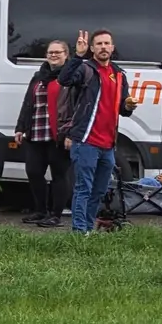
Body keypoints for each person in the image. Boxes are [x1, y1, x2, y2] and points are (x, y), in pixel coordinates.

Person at [59, 29, 138, 235]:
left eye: (107, 43)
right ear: (92, 48)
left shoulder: (119, 74)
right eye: (99, 44)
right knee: (83, 188)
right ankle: (78, 231)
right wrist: (77, 55)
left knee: (99, 190)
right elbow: (64, 80)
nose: (103, 47)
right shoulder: (86, 69)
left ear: (112, 47)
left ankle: (87, 228)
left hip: (108, 144)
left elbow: (123, 109)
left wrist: (129, 106)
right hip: (86, 140)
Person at [13, 39, 72, 227]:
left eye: (58, 52)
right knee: (33, 172)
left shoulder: (71, 77)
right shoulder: (38, 76)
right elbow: (27, 103)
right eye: (50, 52)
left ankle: (55, 215)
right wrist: (20, 128)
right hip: (36, 133)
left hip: (57, 136)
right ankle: (40, 210)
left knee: (59, 175)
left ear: (66, 55)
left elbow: (75, 107)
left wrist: (71, 133)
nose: (53, 55)